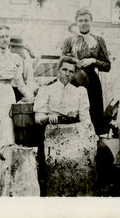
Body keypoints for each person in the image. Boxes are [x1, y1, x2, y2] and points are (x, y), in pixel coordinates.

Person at [34, 56, 98, 196]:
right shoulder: (46, 90)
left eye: (71, 71)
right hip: (53, 134)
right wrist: (47, 118)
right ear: (58, 70)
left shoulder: (80, 92)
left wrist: (92, 135)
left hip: (74, 135)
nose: (67, 74)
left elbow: (85, 118)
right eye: (64, 70)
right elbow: (38, 118)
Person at [0, 25, 33, 155]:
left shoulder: (15, 58)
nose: (5, 39)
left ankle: (6, 163)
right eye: (1, 36)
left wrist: (30, 96)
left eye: (7, 36)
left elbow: (20, 83)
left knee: (8, 130)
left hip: (8, 94)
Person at [61, 8, 111, 135]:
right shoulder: (69, 40)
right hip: (74, 80)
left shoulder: (98, 40)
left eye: (86, 20)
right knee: (73, 112)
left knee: (93, 112)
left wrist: (94, 61)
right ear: (76, 23)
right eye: (80, 21)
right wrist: (75, 63)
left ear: (91, 22)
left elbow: (107, 66)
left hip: (92, 81)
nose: (83, 23)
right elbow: (63, 62)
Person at [9, 35, 39, 100]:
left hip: (22, 92)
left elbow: (30, 80)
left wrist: (29, 94)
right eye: (13, 47)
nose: (15, 50)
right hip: (9, 91)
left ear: (22, 48)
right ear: (9, 47)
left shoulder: (25, 62)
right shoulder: (6, 60)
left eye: (19, 47)